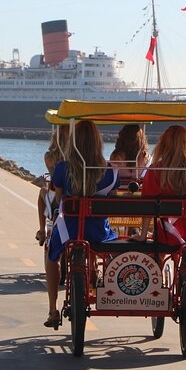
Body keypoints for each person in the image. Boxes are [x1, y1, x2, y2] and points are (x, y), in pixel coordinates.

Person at [130, 125, 186, 313]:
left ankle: (158, 293)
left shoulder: (157, 169)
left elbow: (147, 205)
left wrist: (143, 235)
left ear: (165, 144)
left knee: (159, 254)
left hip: (170, 232)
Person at [43, 120, 119, 328]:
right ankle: (106, 284)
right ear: (98, 141)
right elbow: (112, 199)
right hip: (98, 233)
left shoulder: (62, 169)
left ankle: (52, 309)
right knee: (114, 240)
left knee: (51, 257)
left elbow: (58, 200)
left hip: (70, 230)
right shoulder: (110, 171)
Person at [35, 124, 69, 246]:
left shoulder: (50, 157)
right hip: (75, 197)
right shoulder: (77, 158)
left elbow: (53, 177)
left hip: (57, 199)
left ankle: (42, 230)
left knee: (42, 191)